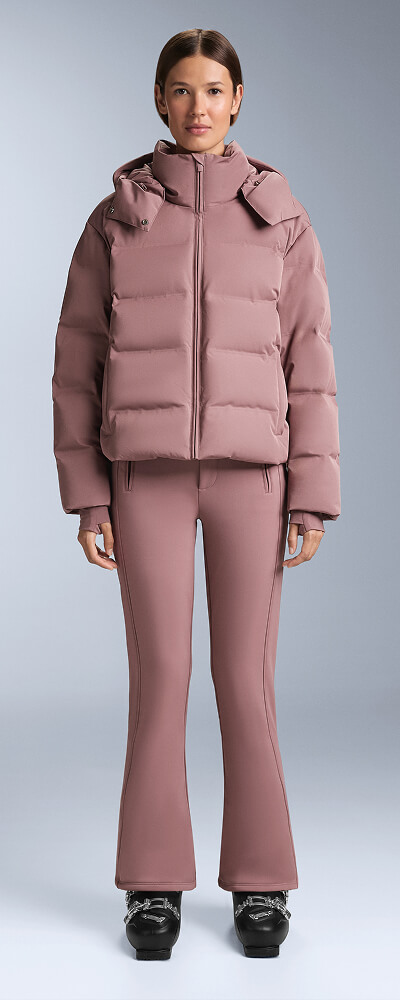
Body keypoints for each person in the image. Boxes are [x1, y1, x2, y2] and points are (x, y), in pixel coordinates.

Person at [51, 28, 341, 961]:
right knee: (162, 680)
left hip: (255, 478)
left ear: (239, 99)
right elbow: (76, 365)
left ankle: (261, 881)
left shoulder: (280, 217)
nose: (199, 106)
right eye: (181, 90)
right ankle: (152, 883)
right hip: (145, 480)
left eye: (214, 89)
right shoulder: (116, 218)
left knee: (244, 682)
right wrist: (88, 496)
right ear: (159, 100)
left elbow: (310, 362)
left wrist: (311, 494)